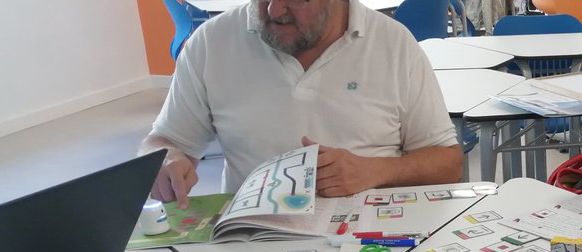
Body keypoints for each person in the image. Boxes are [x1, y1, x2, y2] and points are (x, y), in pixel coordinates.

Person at [141, 0, 462, 208]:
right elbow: (164, 141)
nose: (273, 11)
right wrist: (165, 160)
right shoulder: (211, 43)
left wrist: (373, 171)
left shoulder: (394, 44)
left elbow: (447, 163)